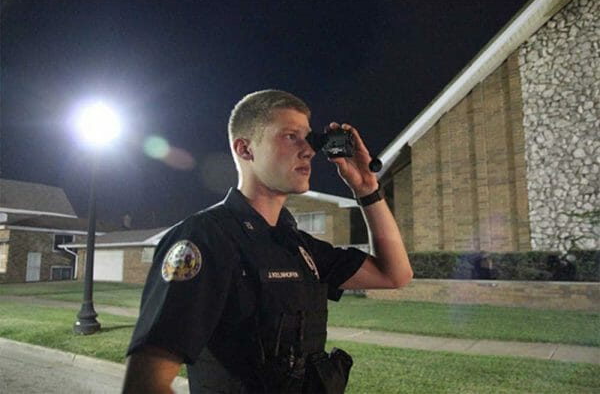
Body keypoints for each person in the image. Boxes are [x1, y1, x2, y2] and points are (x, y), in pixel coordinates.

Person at [122, 89, 413, 393]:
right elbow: (145, 384)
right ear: (245, 149)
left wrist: (367, 188)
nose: (309, 151)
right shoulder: (206, 238)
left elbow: (395, 274)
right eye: (290, 136)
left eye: (308, 138)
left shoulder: (297, 246)